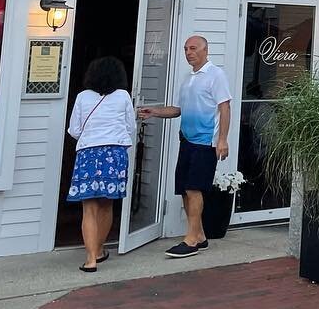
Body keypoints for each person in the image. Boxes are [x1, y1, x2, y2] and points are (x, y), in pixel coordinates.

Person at [138, 35, 232, 258]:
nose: (189, 52)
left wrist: (222, 139)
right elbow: (178, 110)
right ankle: (199, 236)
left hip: (205, 142)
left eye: (193, 48)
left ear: (205, 51)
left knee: (194, 188)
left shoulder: (215, 75)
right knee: (184, 189)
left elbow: (225, 107)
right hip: (187, 140)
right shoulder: (188, 78)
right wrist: (155, 112)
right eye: (186, 49)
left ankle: (190, 240)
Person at [65, 57, 136, 272]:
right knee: (107, 204)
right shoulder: (123, 96)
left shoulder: (82, 97)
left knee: (89, 208)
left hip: (88, 153)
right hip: (114, 153)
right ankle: (99, 249)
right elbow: (130, 127)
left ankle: (90, 259)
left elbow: (74, 130)